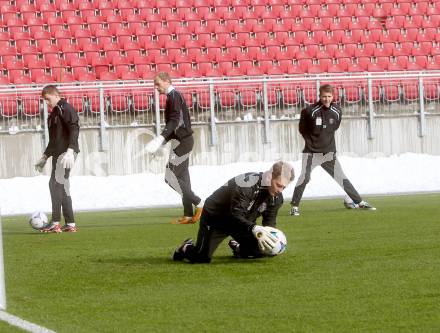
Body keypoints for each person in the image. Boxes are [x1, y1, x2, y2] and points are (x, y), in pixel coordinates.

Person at [173, 161, 295, 263]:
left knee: (265, 248)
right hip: (216, 217)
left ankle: (238, 248)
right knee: (202, 258)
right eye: (279, 185)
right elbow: (235, 214)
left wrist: (272, 240)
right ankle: (185, 247)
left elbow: (269, 223)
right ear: (269, 177)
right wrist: (253, 228)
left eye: (284, 187)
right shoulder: (246, 185)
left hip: (243, 222)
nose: (281, 190)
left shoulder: (276, 198)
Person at [290, 84, 375, 216]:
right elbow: (302, 129)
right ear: (320, 96)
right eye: (324, 96)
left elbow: (334, 128)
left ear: (333, 96)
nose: (327, 99)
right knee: (304, 177)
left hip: (329, 153)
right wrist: (311, 142)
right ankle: (294, 207)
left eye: (329, 96)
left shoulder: (337, 111)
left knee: (341, 177)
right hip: (311, 153)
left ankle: (359, 202)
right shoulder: (310, 111)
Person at [146, 72, 202, 224]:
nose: (156, 88)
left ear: (166, 81)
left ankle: (200, 204)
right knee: (183, 178)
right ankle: (189, 215)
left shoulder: (174, 96)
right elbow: (174, 125)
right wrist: (162, 143)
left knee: (170, 177)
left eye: (158, 84)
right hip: (181, 141)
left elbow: (174, 121)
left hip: (183, 142)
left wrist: (161, 138)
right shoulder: (172, 97)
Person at [34, 85, 80, 233]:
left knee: (55, 184)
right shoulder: (54, 114)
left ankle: (55, 222)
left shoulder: (65, 108)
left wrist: (70, 150)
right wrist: (45, 156)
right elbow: (54, 140)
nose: (47, 103)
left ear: (55, 94)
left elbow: (74, 128)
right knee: (62, 186)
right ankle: (70, 223)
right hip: (59, 153)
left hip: (65, 153)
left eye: (48, 99)